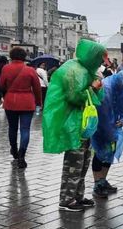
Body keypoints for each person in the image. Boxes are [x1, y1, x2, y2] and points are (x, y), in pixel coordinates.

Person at [42, 39, 108, 212]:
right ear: (92, 56)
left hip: (81, 124)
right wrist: (93, 88)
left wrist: (94, 87)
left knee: (83, 161)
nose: (101, 63)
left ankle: (77, 196)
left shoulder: (83, 69)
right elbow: (75, 97)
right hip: (72, 125)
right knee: (74, 162)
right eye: (99, 59)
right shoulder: (74, 70)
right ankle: (67, 200)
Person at [92, 67, 123, 198]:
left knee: (109, 153)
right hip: (101, 126)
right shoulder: (107, 87)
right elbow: (104, 111)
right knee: (99, 153)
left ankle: (103, 180)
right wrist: (109, 130)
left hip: (112, 125)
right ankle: (97, 184)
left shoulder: (121, 88)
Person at [0, 47, 42, 169]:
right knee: (25, 129)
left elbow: (1, 84)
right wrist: (39, 102)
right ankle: (22, 155)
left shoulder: (6, 68)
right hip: (27, 102)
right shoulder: (30, 70)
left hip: (11, 101)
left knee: (12, 128)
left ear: (11, 56)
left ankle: (13, 149)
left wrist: (4, 96)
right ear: (24, 57)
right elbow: (37, 88)